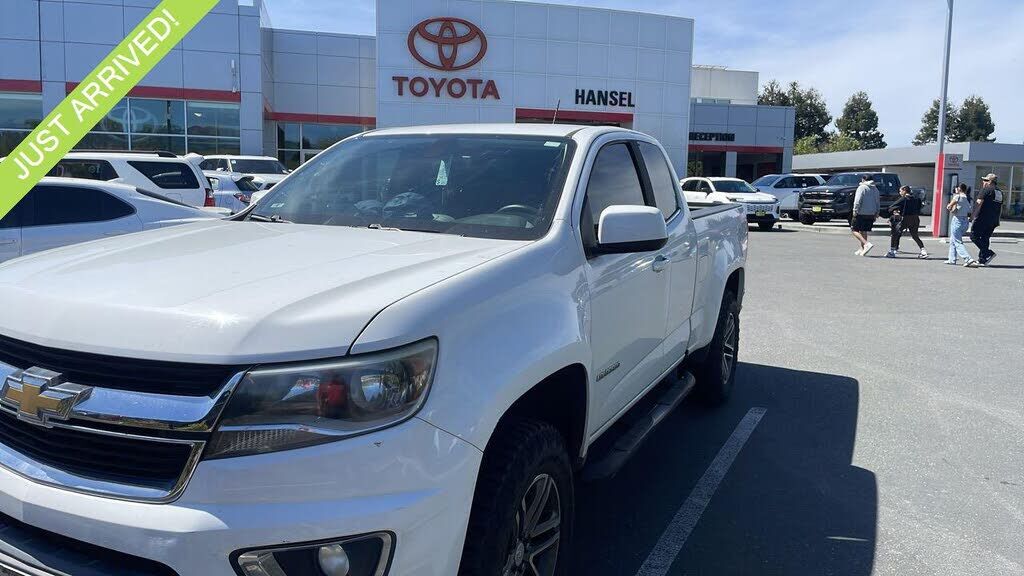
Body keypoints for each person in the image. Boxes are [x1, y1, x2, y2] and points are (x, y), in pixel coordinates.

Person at [885, 185, 928, 259]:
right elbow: (920, 207)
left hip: (905, 218)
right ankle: (923, 251)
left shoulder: (903, 199)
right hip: (915, 218)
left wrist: (893, 212)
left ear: (904, 191)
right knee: (915, 235)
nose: (900, 193)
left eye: (900, 191)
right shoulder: (917, 199)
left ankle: (892, 251)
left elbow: (893, 206)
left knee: (895, 234)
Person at [970, 173, 1003, 265]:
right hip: (994, 220)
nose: (983, 182)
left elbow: (979, 203)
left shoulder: (985, 190)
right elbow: (1000, 207)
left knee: (974, 236)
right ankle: (982, 259)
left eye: (985, 180)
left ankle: (988, 253)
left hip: (982, 218)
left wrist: (972, 216)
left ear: (990, 182)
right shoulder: (999, 192)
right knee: (985, 238)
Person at [946, 183, 980, 267]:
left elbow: (949, 206)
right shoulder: (968, 198)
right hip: (965, 221)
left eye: (957, 188)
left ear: (959, 189)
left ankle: (967, 258)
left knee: (957, 241)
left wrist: (949, 206)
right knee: (953, 240)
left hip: (957, 220)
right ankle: (952, 259)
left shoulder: (957, 196)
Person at [851, 174, 880, 256]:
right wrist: (877, 212)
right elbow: (878, 201)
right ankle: (862, 249)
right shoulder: (875, 189)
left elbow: (857, 200)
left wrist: (855, 210)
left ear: (864, 179)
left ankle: (866, 244)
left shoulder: (861, 187)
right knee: (863, 230)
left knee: (854, 230)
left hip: (861, 212)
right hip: (871, 213)